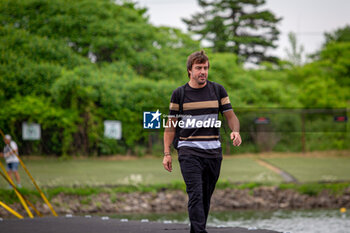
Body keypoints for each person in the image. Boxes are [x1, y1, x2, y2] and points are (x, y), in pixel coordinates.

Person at [163, 50, 242, 233]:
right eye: (198, 68)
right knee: (196, 195)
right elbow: (170, 126)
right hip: (188, 151)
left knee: (206, 196)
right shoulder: (179, 94)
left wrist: (235, 131)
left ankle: (197, 230)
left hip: (213, 152)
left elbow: (231, 116)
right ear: (189, 70)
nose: (203, 72)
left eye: (205, 68)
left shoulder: (217, 90)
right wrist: (167, 153)